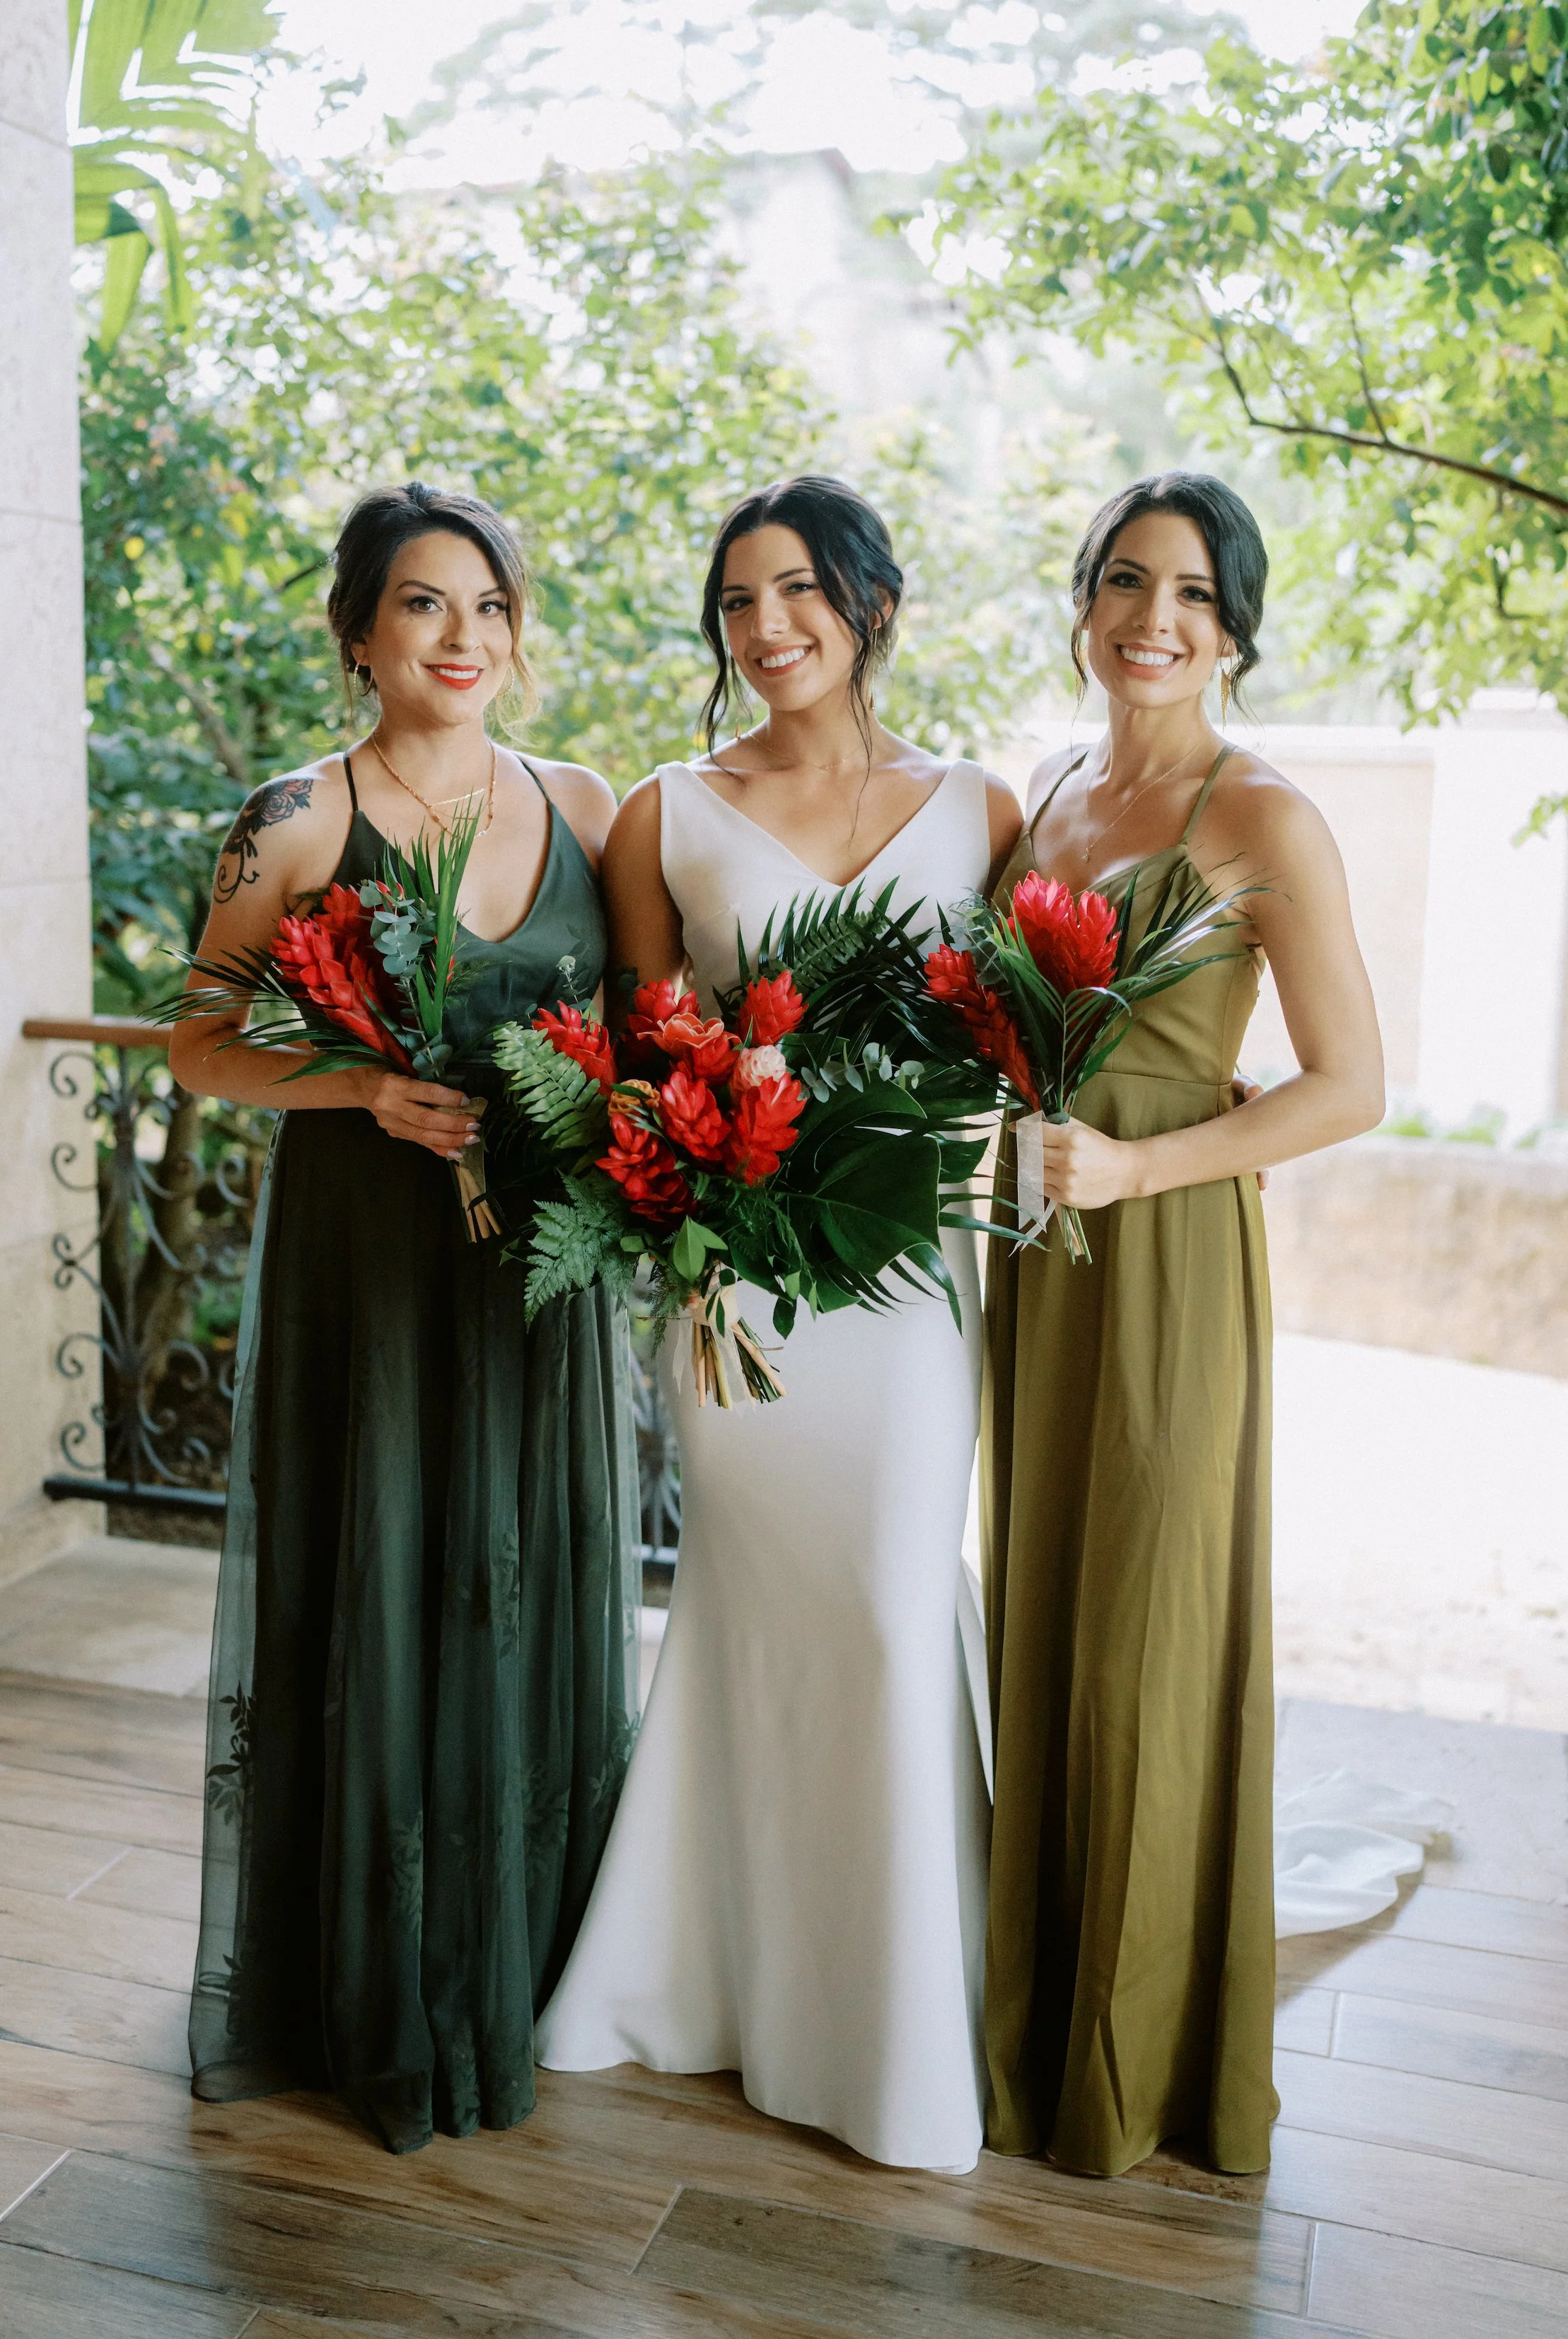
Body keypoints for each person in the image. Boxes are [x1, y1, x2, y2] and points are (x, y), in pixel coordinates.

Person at [535, 475, 1023, 2176]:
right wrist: (683, 1220)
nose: (767, 629)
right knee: (752, 1617)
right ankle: (711, 1982)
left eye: (801, 590)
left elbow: (1027, 1043)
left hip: (905, 1285)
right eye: (738, 600)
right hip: (737, 1294)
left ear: (872, 603)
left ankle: (895, 2029)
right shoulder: (664, 812)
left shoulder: (984, 803)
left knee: (894, 1614)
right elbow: (642, 1060)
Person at [170, 480, 640, 2156]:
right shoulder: (295, 817)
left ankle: (534, 1968)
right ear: (360, 631)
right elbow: (203, 1046)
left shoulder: (581, 801)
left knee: (523, 1586)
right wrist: (361, 1084)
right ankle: (365, 1986)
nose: (464, 638)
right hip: (367, 1274)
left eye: (490, 606)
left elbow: (645, 1035)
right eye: (425, 606)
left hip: (536, 1284)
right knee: (377, 1587)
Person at [980, 471, 1386, 2179]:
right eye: (1127, 583)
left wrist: (1141, 1171)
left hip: (1162, 1258)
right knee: (1044, 1621)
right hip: (1035, 1262)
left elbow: (1352, 1087)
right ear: (1085, 604)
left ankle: (1131, 2068)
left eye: (1196, 596)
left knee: (1149, 1647)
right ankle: (1024, 2008)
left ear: (1235, 628)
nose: (1157, 619)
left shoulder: (1264, 815)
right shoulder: (1050, 791)